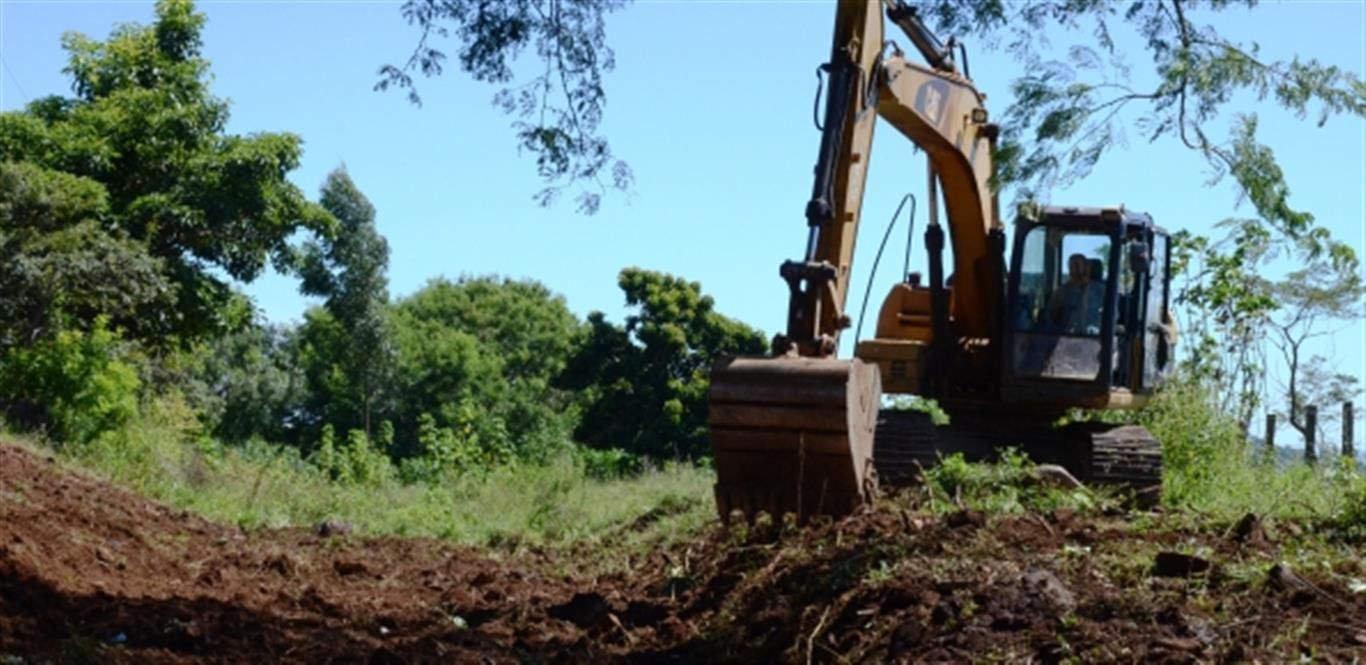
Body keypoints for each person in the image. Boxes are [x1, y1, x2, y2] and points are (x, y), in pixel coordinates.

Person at [1046, 253, 1104, 334]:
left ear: (1086, 267)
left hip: (1094, 338)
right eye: (1071, 267)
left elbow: (1112, 316)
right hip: (1067, 337)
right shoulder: (1062, 292)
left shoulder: (1101, 291)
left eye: (1077, 266)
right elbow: (1050, 316)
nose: (1073, 270)